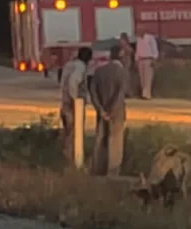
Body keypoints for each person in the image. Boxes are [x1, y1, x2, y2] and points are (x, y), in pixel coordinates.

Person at [89, 45, 128, 176]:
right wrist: (112, 111)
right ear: (121, 56)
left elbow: (93, 92)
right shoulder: (122, 72)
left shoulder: (99, 71)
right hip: (116, 113)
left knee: (100, 140)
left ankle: (97, 170)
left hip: (101, 112)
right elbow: (120, 94)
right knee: (115, 142)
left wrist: (100, 110)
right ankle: (112, 172)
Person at [60, 46, 92, 163]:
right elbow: (73, 81)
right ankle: (74, 160)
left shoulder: (69, 65)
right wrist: (76, 99)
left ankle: (66, 158)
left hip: (64, 103)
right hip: (73, 106)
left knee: (68, 132)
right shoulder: (80, 67)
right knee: (75, 132)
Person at [135, 31, 158, 100]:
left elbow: (154, 49)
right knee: (142, 78)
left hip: (148, 59)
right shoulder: (138, 39)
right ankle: (143, 94)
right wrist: (136, 60)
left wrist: (154, 59)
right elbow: (137, 50)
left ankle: (147, 95)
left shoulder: (150, 38)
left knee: (148, 77)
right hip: (140, 59)